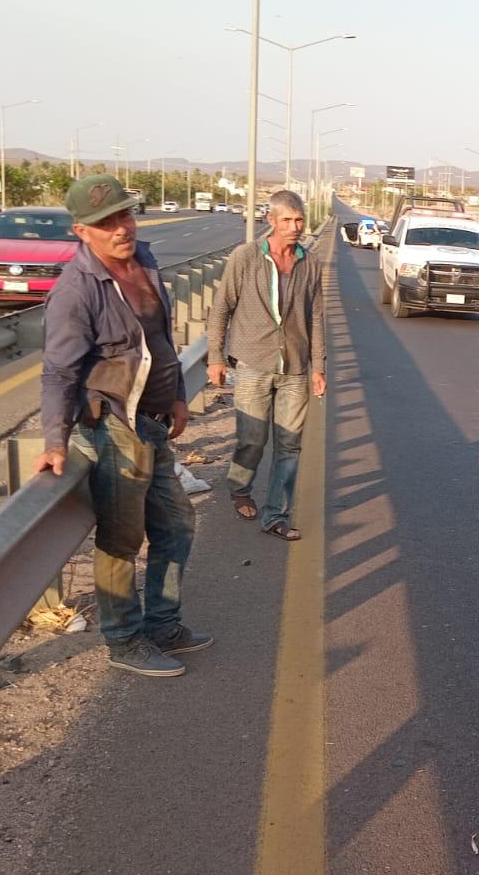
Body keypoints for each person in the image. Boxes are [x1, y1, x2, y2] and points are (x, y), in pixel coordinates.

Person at [34, 174, 210, 678]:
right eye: (105, 222)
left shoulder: (145, 261)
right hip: (113, 425)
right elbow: (58, 373)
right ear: (81, 232)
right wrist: (54, 439)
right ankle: (124, 639)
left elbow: (161, 339)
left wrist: (178, 397)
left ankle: (163, 624)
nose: (119, 228)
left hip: (153, 421)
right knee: (122, 538)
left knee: (176, 524)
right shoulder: (76, 290)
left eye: (124, 215)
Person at [207, 190, 326, 542]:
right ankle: (240, 488)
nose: (295, 227)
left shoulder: (310, 262)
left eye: (299, 219)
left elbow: (316, 317)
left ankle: (277, 514)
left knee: (289, 445)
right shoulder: (245, 258)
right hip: (253, 361)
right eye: (287, 220)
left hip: (294, 366)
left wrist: (317, 366)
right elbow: (221, 308)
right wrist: (215, 356)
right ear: (271, 221)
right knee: (253, 440)